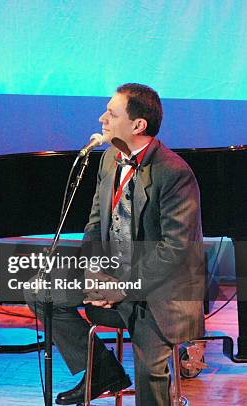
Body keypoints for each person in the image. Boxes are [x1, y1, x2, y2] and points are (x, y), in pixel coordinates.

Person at [25, 83, 204, 405]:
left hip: (158, 290)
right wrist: (95, 272)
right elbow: (95, 224)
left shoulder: (174, 173)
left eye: (112, 113)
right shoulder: (109, 159)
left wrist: (122, 288)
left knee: (149, 372)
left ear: (138, 125)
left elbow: (175, 249)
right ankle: (103, 372)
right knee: (40, 291)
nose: (101, 118)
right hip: (111, 275)